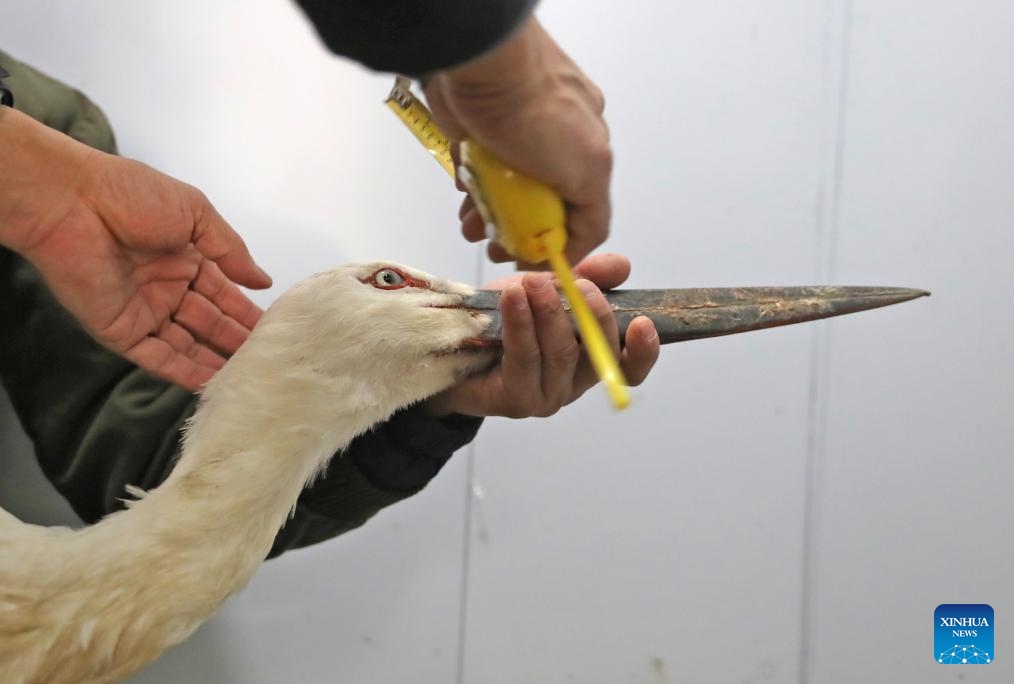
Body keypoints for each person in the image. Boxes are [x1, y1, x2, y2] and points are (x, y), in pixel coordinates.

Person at [0, 3, 659, 555]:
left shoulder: (55, 143)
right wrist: (497, 67)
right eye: (391, 283)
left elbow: (152, 484)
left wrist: (420, 400)